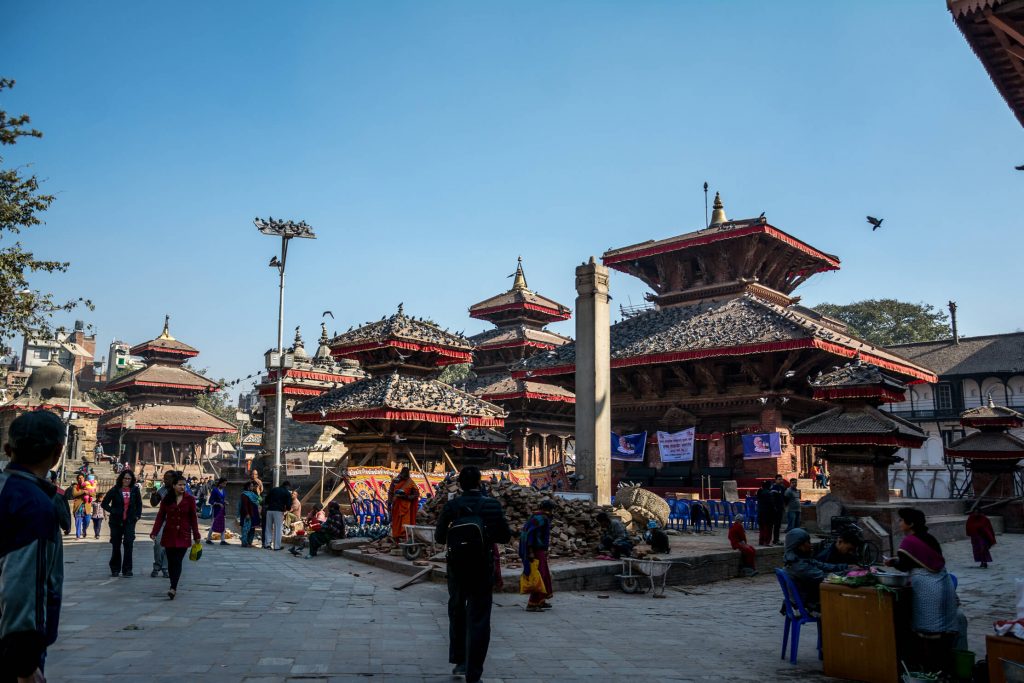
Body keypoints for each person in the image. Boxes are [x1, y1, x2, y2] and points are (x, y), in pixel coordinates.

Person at [0, 411, 66, 683]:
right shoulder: (34, 505)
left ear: (8, 449)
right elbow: (20, 586)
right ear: (58, 452)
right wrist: (25, 666)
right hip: (11, 651)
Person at [435, 466, 513, 683]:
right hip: (481, 566)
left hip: (457, 568)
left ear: (459, 483)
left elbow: (440, 537)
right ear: (480, 482)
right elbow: (504, 536)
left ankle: (459, 661)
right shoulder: (492, 505)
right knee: (479, 618)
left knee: (457, 612)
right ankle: (474, 672)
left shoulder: (452, 506)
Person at [886, 508, 962, 673]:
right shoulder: (931, 539)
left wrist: (893, 563)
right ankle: (946, 669)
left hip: (927, 588)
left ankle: (930, 670)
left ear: (910, 524)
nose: (899, 523)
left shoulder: (909, 542)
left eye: (902, 520)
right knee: (944, 630)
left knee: (929, 631)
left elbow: (906, 565)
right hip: (943, 583)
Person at [150, 472, 200, 600]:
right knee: (171, 562)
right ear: (173, 486)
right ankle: (172, 583)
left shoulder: (190, 499)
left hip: (183, 534)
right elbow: (160, 516)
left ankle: (173, 587)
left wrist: (196, 534)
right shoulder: (167, 499)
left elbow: (193, 518)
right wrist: (155, 532)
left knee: (177, 561)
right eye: (180, 485)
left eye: (184, 485)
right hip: (169, 534)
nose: (182, 487)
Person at [783, 528, 848, 614]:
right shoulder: (799, 566)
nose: (811, 545)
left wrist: (844, 567)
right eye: (808, 542)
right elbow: (823, 577)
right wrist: (848, 574)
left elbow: (822, 565)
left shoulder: (801, 559)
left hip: (808, 598)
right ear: (800, 546)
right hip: (807, 603)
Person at [101, 469, 143, 577]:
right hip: (116, 522)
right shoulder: (115, 490)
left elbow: (139, 504)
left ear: (132, 479)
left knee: (129, 544)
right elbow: (104, 503)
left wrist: (137, 516)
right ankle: (115, 568)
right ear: (121, 479)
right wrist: (113, 511)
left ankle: (127, 569)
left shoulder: (135, 490)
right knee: (116, 545)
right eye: (125, 478)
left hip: (129, 521)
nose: (127, 480)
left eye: (129, 478)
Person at [519, 499, 554, 612]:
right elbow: (530, 535)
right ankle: (532, 603)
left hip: (539, 549)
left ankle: (541, 600)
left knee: (545, 574)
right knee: (539, 576)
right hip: (535, 550)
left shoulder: (538, 517)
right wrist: (530, 551)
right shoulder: (541, 519)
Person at [149, 470, 176, 578]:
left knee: (169, 547)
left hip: (175, 522)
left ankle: (165, 568)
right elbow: (154, 503)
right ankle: (157, 565)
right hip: (163, 521)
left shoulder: (179, 490)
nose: (165, 480)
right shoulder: (162, 490)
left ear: (174, 479)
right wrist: (154, 494)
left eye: (168, 478)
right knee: (158, 544)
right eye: (164, 478)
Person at [388, 466, 420, 540]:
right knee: (396, 521)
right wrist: (389, 503)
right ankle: (396, 537)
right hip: (396, 505)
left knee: (405, 523)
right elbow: (390, 492)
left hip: (406, 506)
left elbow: (416, 494)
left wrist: (406, 497)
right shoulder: (395, 481)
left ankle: (405, 538)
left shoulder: (410, 482)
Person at [264, 480, 292, 550]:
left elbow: (266, 499)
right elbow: (288, 505)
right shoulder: (287, 492)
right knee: (278, 528)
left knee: (268, 527)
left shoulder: (273, 489)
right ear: (287, 486)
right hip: (278, 511)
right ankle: (277, 546)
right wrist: (287, 509)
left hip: (269, 510)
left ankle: (267, 544)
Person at [238, 481, 262, 547]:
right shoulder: (245, 495)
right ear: (248, 487)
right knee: (245, 528)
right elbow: (244, 505)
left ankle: (249, 542)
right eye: (251, 486)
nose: (252, 487)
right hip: (247, 514)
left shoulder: (253, 494)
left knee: (252, 528)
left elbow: (258, 500)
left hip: (253, 513)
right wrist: (247, 514)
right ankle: (244, 542)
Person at [206, 478, 228, 545]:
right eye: (224, 483)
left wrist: (225, 502)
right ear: (220, 483)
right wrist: (218, 503)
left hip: (222, 509)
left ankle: (222, 540)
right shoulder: (215, 490)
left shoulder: (223, 491)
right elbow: (210, 501)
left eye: (225, 484)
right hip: (216, 510)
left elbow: (222, 499)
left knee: (223, 524)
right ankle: (208, 539)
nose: (225, 485)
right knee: (213, 524)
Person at [69, 472, 89, 539]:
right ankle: (78, 535)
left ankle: (84, 530)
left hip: (86, 507)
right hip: (78, 507)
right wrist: (83, 491)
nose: (80, 479)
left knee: (87, 521)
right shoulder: (75, 486)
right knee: (78, 521)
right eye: (79, 478)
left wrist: (88, 491)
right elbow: (74, 494)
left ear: (84, 478)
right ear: (77, 479)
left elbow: (93, 493)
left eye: (82, 478)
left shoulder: (88, 485)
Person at [755, 480, 774, 546]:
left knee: (762, 528)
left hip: (760, 512)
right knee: (768, 529)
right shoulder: (769, 493)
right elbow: (771, 504)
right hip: (768, 513)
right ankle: (767, 542)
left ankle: (761, 541)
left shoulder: (760, 492)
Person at [769, 474, 787, 545]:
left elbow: (785, 497)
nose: (780, 480)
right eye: (779, 479)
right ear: (775, 480)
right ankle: (770, 539)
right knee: (772, 525)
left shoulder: (782, 488)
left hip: (780, 509)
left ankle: (776, 539)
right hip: (774, 509)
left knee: (778, 525)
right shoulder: (773, 488)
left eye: (781, 479)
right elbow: (772, 499)